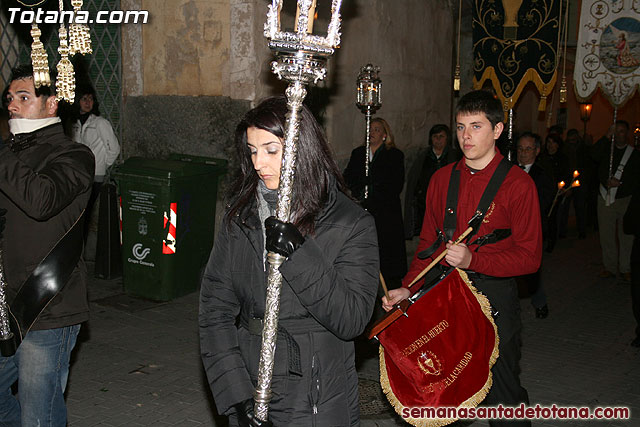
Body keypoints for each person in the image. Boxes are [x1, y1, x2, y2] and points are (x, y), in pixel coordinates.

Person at [199, 97, 379, 426]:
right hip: (250, 381)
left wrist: (299, 253)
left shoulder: (351, 223)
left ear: (301, 148)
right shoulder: (241, 216)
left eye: (270, 149)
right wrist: (235, 395)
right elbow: (215, 310)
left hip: (314, 392)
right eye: (252, 150)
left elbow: (352, 318)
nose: (258, 163)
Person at [383, 90, 542, 427]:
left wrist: (474, 261)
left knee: (505, 402)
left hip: (493, 302)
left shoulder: (519, 184)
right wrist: (408, 290)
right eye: (460, 127)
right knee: (440, 397)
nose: (466, 136)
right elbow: (428, 244)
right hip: (444, 300)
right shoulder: (441, 179)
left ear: (498, 130)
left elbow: (530, 259)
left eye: (476, 126)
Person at [0, 65, 94, 426]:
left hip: (47, 307)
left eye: (24, 98)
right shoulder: (10, 153)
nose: (13, 106)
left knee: (39, 416)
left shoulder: (74, 154)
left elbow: (42, 200)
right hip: (5, 304)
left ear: (52, 104)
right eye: (10, 98)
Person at [343, 117, 406, 286]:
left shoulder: (394, 155)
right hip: (362, 209)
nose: (372, 132)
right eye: (370, 129)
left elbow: (395, 184)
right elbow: (347, 178)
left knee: (386, 254)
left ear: (385, 135)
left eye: (377, 129)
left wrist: (372, 183)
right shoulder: (358, 153)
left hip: (385, 212)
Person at [589, 120, 640, 281]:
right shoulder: (606, 149)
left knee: (626, 236)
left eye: (622, 131)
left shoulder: (634, 154)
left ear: (628, 133)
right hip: (606, 197)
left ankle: (626, 267)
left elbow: (636, 177)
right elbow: (593, 155)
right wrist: (606, 137)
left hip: (625, 199)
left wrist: (621, 184)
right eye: (615, 131)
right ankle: (609, 267)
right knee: (606, 235)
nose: (618, 135)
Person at [71, 84, 120, 237]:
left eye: (91, 99)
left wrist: (102, 165)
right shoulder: (73, 123)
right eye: (84, 99)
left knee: (86, 211)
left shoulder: (100, 123)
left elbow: (114, 148)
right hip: (76, 173)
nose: (88, 102)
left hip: (94, 175)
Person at [517, 132, 554, 319]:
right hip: (510, 232)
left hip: (532, 231)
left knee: (532, 270)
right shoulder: (509, 171)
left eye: (528, 149)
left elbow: (542, 202)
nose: (523, 153)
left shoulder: (543, 175)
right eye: (521, 149)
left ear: (537, 151)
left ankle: (540, 302)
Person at [404, 124, 461, 238]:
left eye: (442, 136)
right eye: (435, 136)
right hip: (424, 204)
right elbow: (414, 181)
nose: (438, 140)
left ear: (447, 138)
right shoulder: (423, 157)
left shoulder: (455, 157)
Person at [538, 132, 569, 251]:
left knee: (553, 217)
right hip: (545, 191)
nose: (551, 145)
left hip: (556, 192)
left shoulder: (562, 158)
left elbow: (565, 174)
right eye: (549, 142)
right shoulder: (543, 157)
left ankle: (551, 241)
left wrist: (563, 187)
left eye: (553, 143)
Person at [559, 129, 588, 239]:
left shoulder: (582, 148)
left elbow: (586, 164)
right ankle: (562, 230)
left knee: (580, 207)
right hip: (567, 180)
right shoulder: (565, 149)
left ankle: (582, 230)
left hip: (580, 181)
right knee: (565, 206)